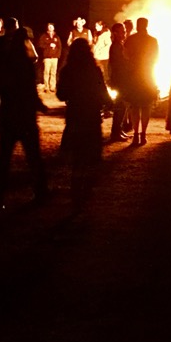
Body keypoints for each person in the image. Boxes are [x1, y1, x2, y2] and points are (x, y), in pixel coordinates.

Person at [0, 26, 49, 209]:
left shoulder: (6, 62)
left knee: (4, 160)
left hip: (9, 117)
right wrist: (39, 105)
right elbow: (30, 91)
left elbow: (0, 87)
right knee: (34, 157)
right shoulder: (25, 64)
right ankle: (41, 192)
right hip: (24, 118)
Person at [56, 37, 109, 212]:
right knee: (91, 154)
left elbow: (61, 94)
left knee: (78, 155)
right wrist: (108, 103)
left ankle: (77, 187)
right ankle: (85, 189)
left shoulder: (67, 70)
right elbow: (102, 91)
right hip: (91, 115)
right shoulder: (94, 70)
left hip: (76, 115)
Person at [124, 17, 159, 145]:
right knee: (145, 106)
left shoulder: (131, 39)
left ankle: (135, 135)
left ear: (138, 26)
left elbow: (125, 55)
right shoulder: (152, 40)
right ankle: (143, 134)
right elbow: (156, 57)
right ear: (146, 25)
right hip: (147, 76)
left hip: (134, 76)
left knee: (134, 107)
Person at [107, 22, 129, 142]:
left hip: (120, 79)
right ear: (115, 33)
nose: (124, 33)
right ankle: (115, 132)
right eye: (122, 31)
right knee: (120, 106)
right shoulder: (116, 46)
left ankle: (119, 130)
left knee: (122, 105)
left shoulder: (119, 45)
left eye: (124, 31)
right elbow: (119, 64)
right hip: (119, 80)